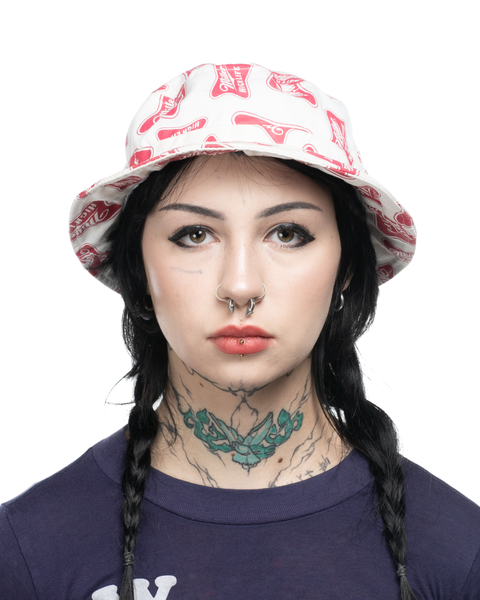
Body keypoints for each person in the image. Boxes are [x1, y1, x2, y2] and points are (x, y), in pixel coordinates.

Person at [1, 63, 479, 600]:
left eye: (288, 233)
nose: (241, 285)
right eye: (194, 234)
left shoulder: (459, 554)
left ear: (346, 266)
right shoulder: (28, 550)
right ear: (138, 269)